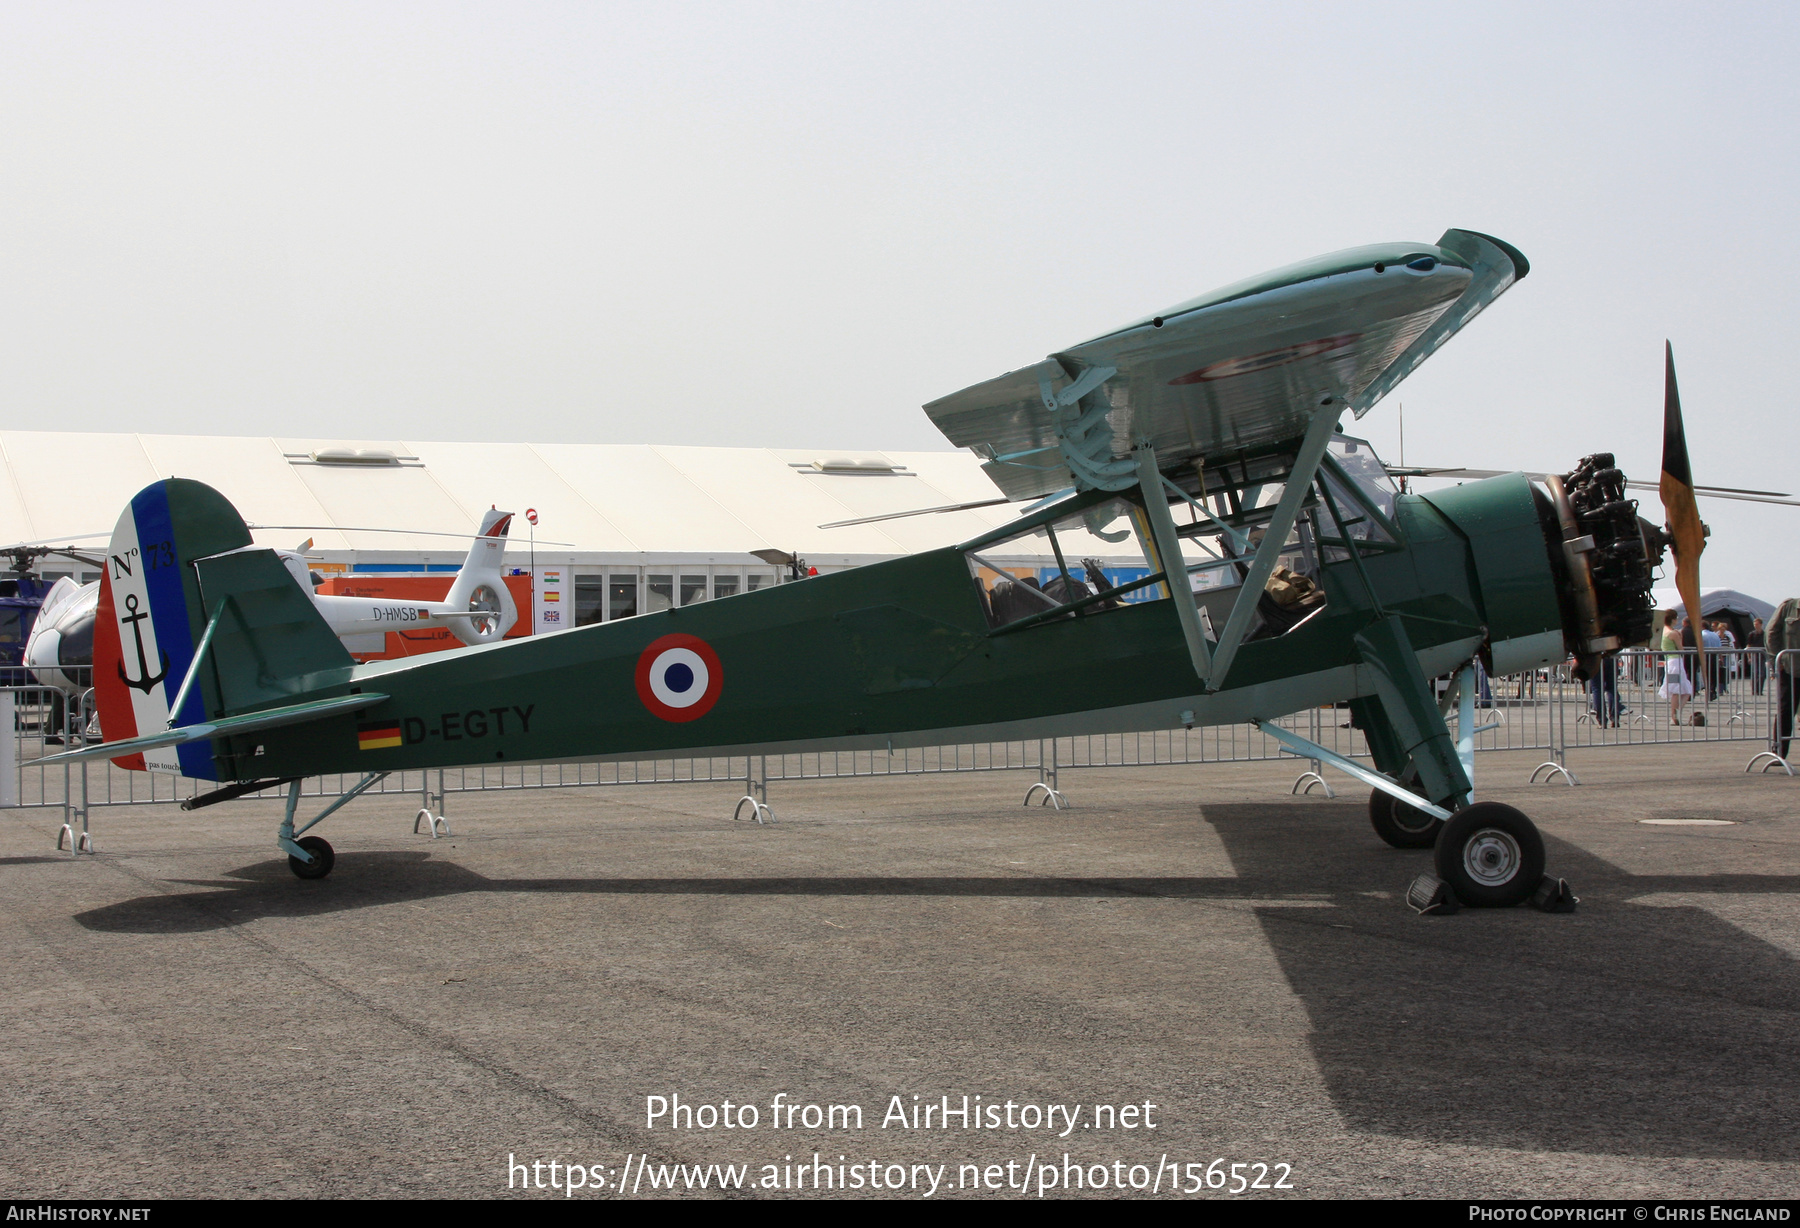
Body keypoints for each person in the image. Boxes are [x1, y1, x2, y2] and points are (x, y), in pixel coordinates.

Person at [1658, 611, 1693, 724]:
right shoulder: (1673, 633)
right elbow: (1680, 648)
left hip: (1670, 662)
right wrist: (1680, 636)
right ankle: (1674, 715)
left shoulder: (1663, 631)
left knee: (1681, 689)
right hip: (1676, 662)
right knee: (1678, 690)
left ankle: (1675, 714)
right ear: (1673, 619)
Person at [1701, 620, 1724, 702]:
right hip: (1714, 655)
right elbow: (1719, 647)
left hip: (1705, 656)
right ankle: (1712, 690)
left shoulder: (1701, 634)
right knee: (1713, 674)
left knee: (1706, 674)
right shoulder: (1715, 635)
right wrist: (1721, 658)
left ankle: (1708, 690)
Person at [1748, 617, 1767, 697]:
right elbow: (1748, 645)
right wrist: (1749, 656)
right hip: (1754, 655)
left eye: (1757, 624)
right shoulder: (1752, 634)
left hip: (1762, 655)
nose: (1755, 626)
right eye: (1754, 624)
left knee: (1762, 674)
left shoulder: (1764, 634)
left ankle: (1760, 690)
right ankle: (1754, 690)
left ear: (1761, 624)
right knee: (1755, 673)